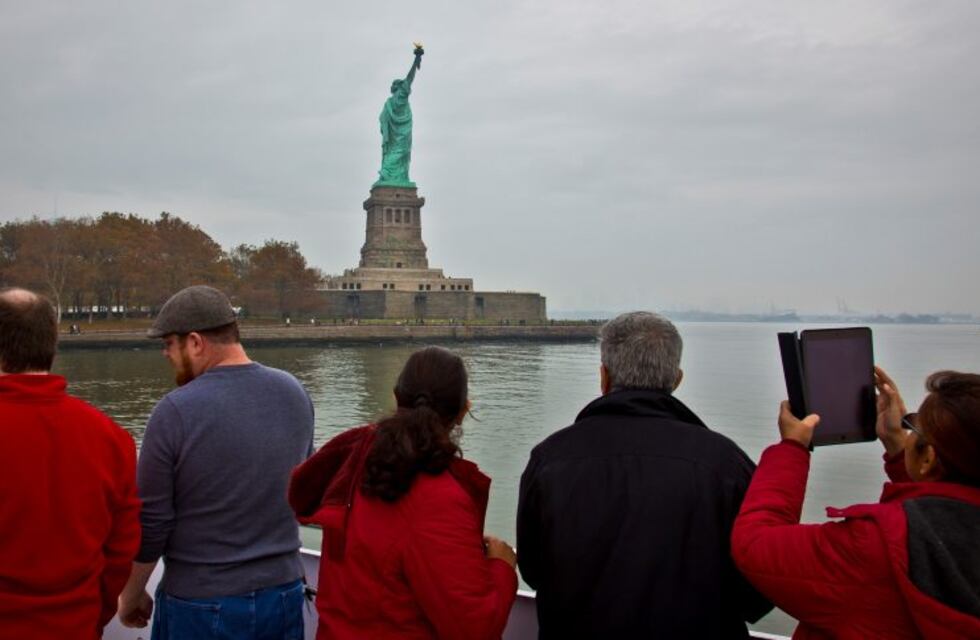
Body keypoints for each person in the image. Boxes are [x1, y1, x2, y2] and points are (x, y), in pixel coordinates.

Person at [517, 311, 772, 638]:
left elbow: (535, 571)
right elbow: (758, 590)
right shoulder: (727, 465)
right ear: (677, 380)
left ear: (604, 377)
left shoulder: (549, 460)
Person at [116, 285, 315, 639]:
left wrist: (130, 595)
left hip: (201, 604)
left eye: (168, 344)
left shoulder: (174, 411)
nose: (165, 355)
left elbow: (153, 522)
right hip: (284, 593)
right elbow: (305, 491)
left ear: (195, 342)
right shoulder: (295, 392)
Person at [732, 367, 980, 639]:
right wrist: (898, 445)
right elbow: (943, 517)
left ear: (928, 458)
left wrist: (792, 447)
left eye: (912, 427)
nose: (907, 432)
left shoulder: (877, 548)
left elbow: (754, 545)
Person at [288, 346, 517, 639]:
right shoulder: (437, 498)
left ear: (397, 398)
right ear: (463, 411)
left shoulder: (352, 463)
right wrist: (502, 566)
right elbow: (475, 628)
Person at [0, 287, 141, 639]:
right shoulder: (111, 438)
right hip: (76, 626)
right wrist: (94, 614)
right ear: (53, 343)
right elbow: (121, 548)